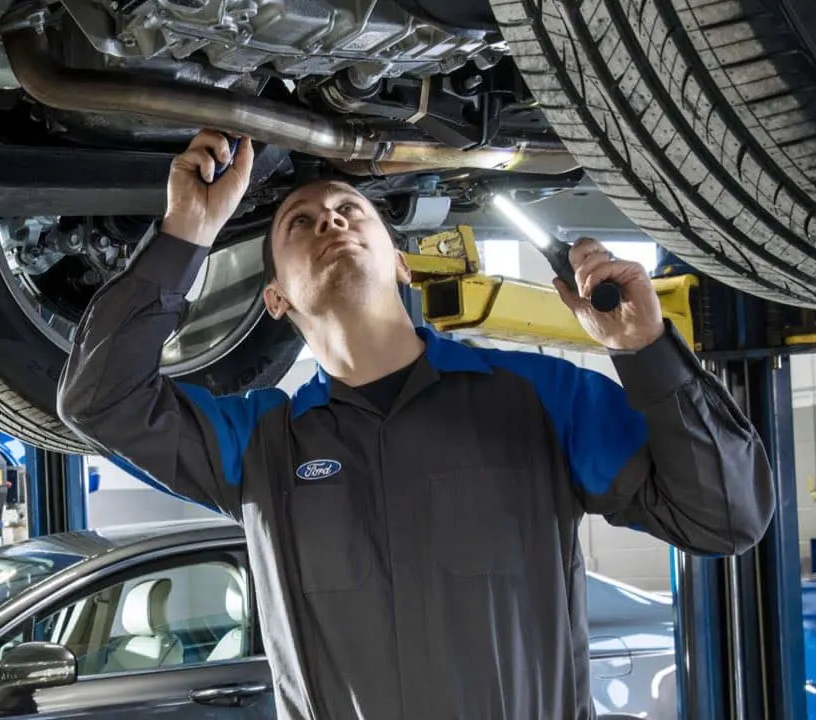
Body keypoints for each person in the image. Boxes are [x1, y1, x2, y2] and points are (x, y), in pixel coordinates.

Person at [57, 130, 775, 720]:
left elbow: (724, 517)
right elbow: (100, 400)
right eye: (298, 223)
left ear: (402, 264)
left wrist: (647, 353)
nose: (329, 220)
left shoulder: (534, 398)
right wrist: (187, 231)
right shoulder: (261, 445)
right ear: (274, 298)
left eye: (350, 210)